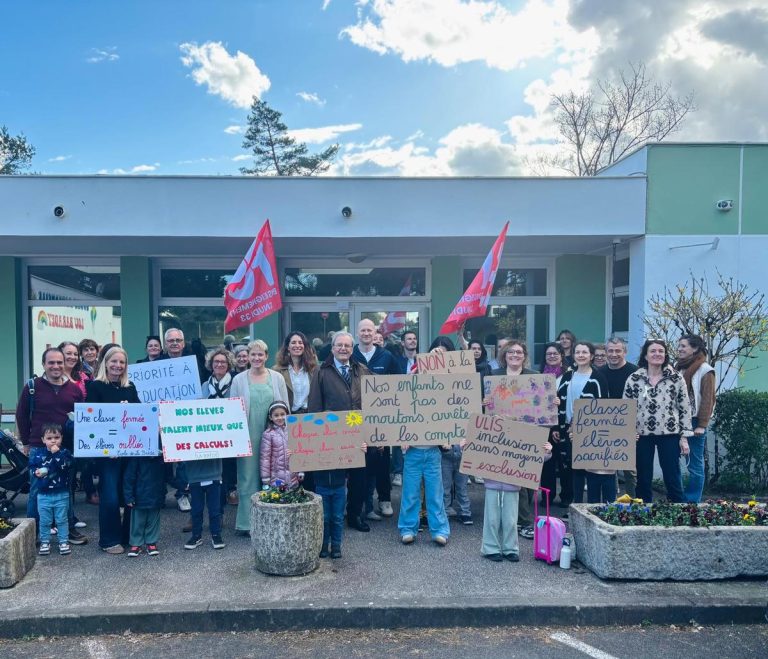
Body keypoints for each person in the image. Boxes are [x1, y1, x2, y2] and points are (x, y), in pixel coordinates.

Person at [307, 331, 371, 556]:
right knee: (332, 480)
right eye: (339, 345)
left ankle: (354, 515)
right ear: (332, 348)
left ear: (352, 349)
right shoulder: (321, 372)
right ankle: (327, 537)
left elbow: (372, 403)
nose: (343, 349)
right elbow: (314, 406)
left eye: (347, 345)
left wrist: (372, 433)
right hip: (331, 435)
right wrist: (315, 436)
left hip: (356, 429)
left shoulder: (362, 370)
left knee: (358, 479)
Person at [16, 347, 87, 546]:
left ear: (65, 364)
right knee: (37, 491)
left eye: (59, 362)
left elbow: (82, 417)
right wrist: (26, 443)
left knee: (67, 488)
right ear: (44, 365)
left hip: (65, 449)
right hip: (39, 448)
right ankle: (34, 534)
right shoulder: (32, 386)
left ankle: (69, 529)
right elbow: (21, 415)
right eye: (51, 363)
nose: (56, 366)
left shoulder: (74, 389)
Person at [398, 337, 453, 547]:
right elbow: (398, 412)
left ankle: (440, 530)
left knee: (435, 493)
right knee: (410, 493)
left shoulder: (444, 391)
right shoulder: (410, 386)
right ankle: (407, 528)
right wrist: (400, 436)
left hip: (432, 451)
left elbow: (451, 415)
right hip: (412, 450)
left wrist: (448, 437)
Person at [230, 339, 289, 535]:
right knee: (248, 478)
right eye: (252, 354)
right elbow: (232, 409)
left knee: (275, 475)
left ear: (266, 356)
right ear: (248, 356)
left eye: (260, 354)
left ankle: (273, 520)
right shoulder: (238, 380)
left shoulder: (277, 377)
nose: (256, 358)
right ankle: (247, 523)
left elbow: (284, 407)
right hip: (247, 433)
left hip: (274, 435)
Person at [86, 346, 141, 554]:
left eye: (122, 362)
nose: (118, 365)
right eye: (114, 361)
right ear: (105, 363)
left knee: (129, 494)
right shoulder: (95, 387)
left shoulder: (130, 387)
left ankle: (128, 536)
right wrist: (109, 446)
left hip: (129, 451)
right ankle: (109, 540)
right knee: (109, 495)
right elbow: (92, 421)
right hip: (107, 453)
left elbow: (139, 417)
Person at [623, 339, 692, 503]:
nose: (657, 354)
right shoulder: (634, 378)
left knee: (672, 475)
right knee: (643, 477)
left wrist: (684, 437)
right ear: (645, 355)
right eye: (653, 351)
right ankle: (643, 511)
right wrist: (628, 432)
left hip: (669, 433)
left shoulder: (676, 378)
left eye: (661, 351)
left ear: (665, 355)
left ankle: (678, 511)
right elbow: (626, 407)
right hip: (641, 434)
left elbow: (684, 407)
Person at [491, 340, 539, 538]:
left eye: (519, 352)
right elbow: (487, 404)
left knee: (527, 480)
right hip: (504, 432)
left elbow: (541, 404)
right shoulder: (494, 376)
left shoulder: (534, 377)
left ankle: (521, 520)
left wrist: (552, 401)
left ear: (524, 355)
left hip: (528, 431)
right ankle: (522, 521)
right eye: (511, 352)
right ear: (504, 355)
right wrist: (486, 401)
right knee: (510, 477)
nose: (515, 355)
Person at [352, 319, 399, 521]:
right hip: (355, 414)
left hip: (381, 415)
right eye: (362, 330)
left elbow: (400, 383)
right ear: (357, 333)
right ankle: (359, 503)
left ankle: (384, 499)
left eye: (369, 330)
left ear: (375, 332)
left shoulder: (386, 356)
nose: (366, 333)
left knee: (381, 458)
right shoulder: (350, 354)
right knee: (358, 458)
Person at [557, 341, 610, 504]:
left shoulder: (598, 378)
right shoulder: (567, 376)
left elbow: (603, 405)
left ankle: (592, 506)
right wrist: (558, 426)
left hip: (589, 431)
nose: (581, 355)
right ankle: (577, 506)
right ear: (573, 355)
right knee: (575, 470)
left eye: (584, 352)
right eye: (578, 352)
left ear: (591, 356)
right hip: (568, 429)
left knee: (592, 471)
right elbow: (559, 402)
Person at [481, 441, 552, 562]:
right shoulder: (491, 433)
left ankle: (511, 549)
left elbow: (531, 455)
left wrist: (547, 451)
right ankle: (490, 548)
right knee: (491, 519)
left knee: (511, 520)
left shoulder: (518, 435)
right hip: (492, 483)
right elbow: (477, 452)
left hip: (512, 485)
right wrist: (465, 448)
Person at [676, 334, 716, 503]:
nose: (679, 349)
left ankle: (691, 501)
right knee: (672, 461)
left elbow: (708, 399)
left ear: (695, 349)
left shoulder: (705, 370)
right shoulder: (678, 367)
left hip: (694, 422)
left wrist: (701, 425)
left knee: (694, 463)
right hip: (675, 420)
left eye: (683, 346)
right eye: (679, 345)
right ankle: (678, 498)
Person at [599, 336, 638, 497]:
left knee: (631, 470)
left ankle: (634, 504)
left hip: (630, 425)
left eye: (618, 351)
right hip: (605, 425)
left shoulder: (635, 373)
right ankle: (611, 503)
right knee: (608, 468)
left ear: (625, 352)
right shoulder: (599, 373)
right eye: (610, 351)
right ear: (606, 352)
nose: (614, 354)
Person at [59, 341, 95, 515]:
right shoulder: (53, 376)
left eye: (74, 354)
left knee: (72, 475)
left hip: (79, 432)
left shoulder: (83, 377)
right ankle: (60, 519)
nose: (72, 357)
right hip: (58, 433)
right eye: (68, 353)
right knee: (60, 477)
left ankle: (70, 518)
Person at [158, 328, 191, 513]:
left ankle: (182, 494)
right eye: (171, 340)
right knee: (161, 459)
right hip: (162, 418)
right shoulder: (157, 366)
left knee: (184, 460)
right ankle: (159, 494)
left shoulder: (193, 364)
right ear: (165, 344)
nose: (175, 343)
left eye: (178, 340)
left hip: (184, 419)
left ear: (183, 343)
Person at [202, 347, 238, 506]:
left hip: (229, 432)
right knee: (212, 468)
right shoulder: (205, 385)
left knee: (228, 465)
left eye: (223, 362)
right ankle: (214, 502)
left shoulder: (235, 383)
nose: (219, 364)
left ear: (229, 365)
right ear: (211, 364)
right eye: (216, 361)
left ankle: (229, 492)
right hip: (209, 432)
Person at [30, 423, 73, 556]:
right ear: (43, 440)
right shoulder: (38, 453)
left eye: (56, 437)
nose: (53, 440)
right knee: (45, 520)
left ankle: (63, 541)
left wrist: (57, 454)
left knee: (62, 519)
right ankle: (45, 541)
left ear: (61, 438)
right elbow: (32, 467)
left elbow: (65, 466)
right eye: (49, 438)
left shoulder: (65, 453)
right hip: (43, 494)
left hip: (61, 493)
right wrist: (35, 472)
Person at [538, 342, 567, 502]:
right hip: (544, 425)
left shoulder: (569, 374)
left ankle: (565, 497)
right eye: (549, 354)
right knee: (546, 463)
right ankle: (547, 497)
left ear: (561, 355)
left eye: (555, 353)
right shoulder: (539, 375)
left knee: (564, 463)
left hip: (562, 424)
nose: (552, 356)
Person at [123, 449, 166, 557]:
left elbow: (168, 476)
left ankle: (151, 542)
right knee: (137, 521)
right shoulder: (136, 458)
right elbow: (129, 478)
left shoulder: (162, 459)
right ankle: (136, 543)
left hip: (156, 495)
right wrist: (129, 497)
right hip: (139, 497)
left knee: (153, 520)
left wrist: (181, 484)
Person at [391, 330, 419, 486]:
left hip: (419, 404)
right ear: (402, 343)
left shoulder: (423, 361)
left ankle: (412, 470)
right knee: (399, 437)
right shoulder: (396, 361)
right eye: (409, 339)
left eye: (414, 338)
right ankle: (398, 472)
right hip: (400, 403)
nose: (412, 341)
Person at [184, 446, 225, 551]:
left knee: (214, 510)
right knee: (196, 510)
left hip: (213, 474)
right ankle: (196, 535)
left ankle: (216, 535)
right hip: (195, 475)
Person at [260, 401, 301, 488]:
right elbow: (265, 458)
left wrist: (300, 471)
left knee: (293, 498)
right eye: (276, 415)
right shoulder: (268, 434)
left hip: (293, 476)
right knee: (279, 499)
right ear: (270, 417)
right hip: (276, 477)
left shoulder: (293, 431)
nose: (280, 417)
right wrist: (265, 477)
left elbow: (300, 450)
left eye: (282, 414)